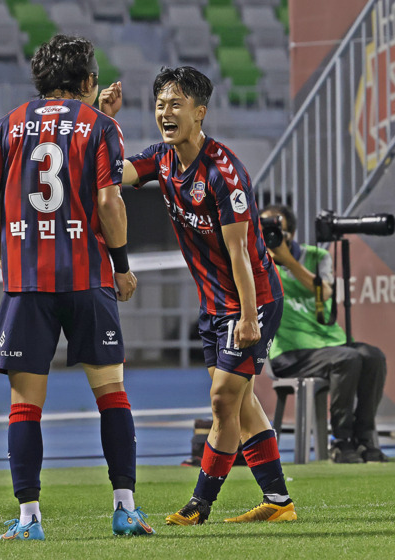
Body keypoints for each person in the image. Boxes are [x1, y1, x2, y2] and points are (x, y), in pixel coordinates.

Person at [0, 34, 154, 541]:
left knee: (25, 402)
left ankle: (30, 519)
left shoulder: (7, 124)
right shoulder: (99, 125)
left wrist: (1, 250)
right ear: (89, 81)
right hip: (88, 276)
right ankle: (124, 509)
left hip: (27, 281)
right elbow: (109, 202)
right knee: (111, 393)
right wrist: (121, 265)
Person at [99, 66, 296, 525]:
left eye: (175, 104)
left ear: (199, 112)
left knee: (223, 399)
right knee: (241, 404)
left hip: (254, 300)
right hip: (213, 306)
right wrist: (104, 122)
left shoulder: (224, 173)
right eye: (160, 104)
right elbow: (111, 174)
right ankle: (278, 500)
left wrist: (249, 318)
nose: (165, 113)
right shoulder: (161, 161)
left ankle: (199, 504)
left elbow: (241, 253)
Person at [260, 204, 388, 463]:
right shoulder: (258, 262)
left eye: (276, 230)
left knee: (374, 356)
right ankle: (340, 441)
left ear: (291, 233)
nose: (269, 236)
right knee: (347, 359)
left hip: (328, 342)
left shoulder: (317, 256)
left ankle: (364, 438)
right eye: (263, 230)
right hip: (288, 352)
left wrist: (289, 261)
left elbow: (325, 293)